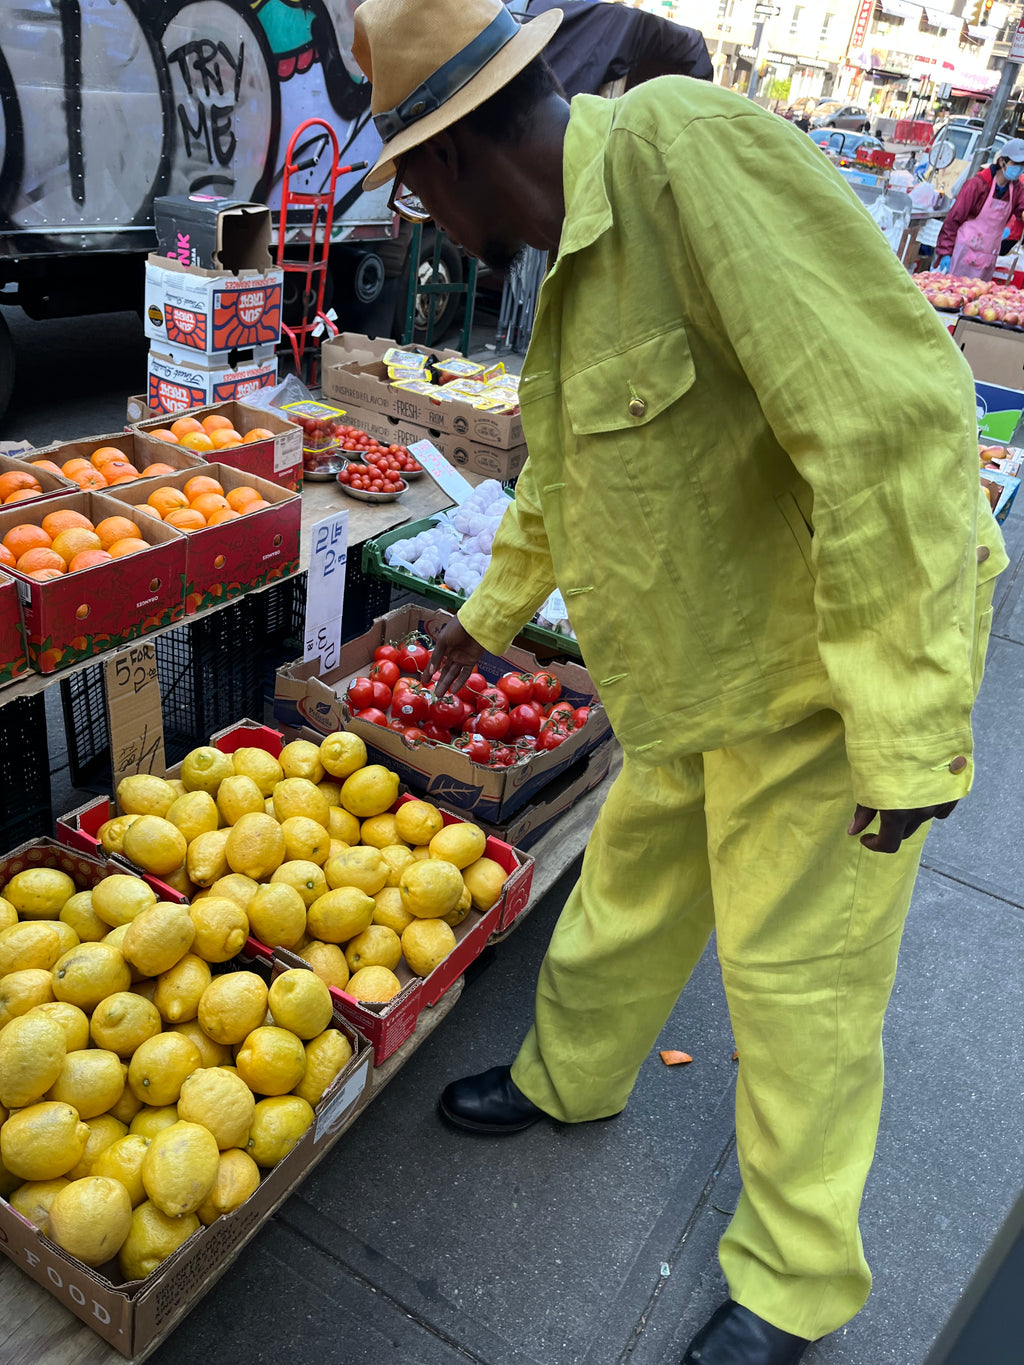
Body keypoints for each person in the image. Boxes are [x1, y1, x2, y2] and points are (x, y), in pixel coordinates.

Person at [351, 2, 1007, 1361]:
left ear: (455, 157)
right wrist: (486, 617)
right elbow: (568, 477)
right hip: (689, 678)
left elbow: (892, 425)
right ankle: (569, 1078)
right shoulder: (565, 255)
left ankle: (791, 1281)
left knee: (799, 994)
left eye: (407, 182)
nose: (411, 219)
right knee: (629, 898)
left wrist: (908, 732)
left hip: (813, 692)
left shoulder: (685, 151)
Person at [936, 139, 1024, 278]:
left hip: (988, 256)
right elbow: (953, 219)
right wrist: (945, 251)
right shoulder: (978, 185)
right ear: (1002, 162)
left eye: (1022, 165)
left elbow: (1022, 210)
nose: (1019, 169)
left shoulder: (1017, 190)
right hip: (963, 253)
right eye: (1016, 164)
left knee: (979, 297)